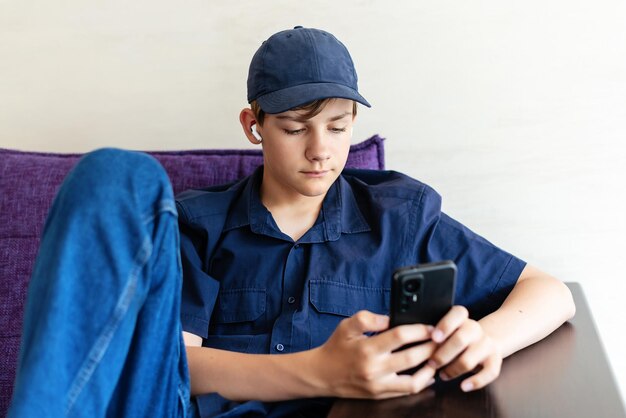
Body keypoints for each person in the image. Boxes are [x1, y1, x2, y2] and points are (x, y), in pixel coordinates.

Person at [8, 26, 575, 418]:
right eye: (294, 127)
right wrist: (321, 370)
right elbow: (171, 360)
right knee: (117, 174)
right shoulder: (197, 222)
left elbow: (550, 293)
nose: (320, 150)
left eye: (337, 126)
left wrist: (485, 337)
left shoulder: (398, 214)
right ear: (253, 126)